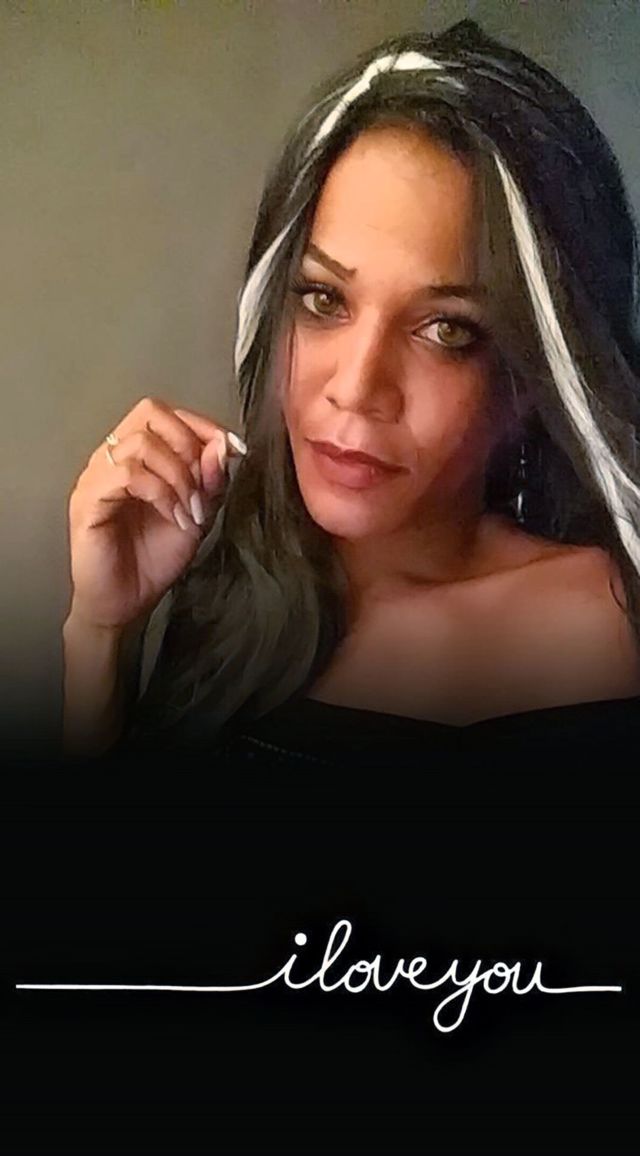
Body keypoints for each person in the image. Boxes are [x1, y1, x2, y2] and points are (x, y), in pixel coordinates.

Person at [63, 19, 640, 765]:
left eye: (446, 330)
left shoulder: (608, 627)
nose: (356, 387)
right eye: (324, 299)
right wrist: (101, 634)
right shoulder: (233, 595)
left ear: (533, 373)